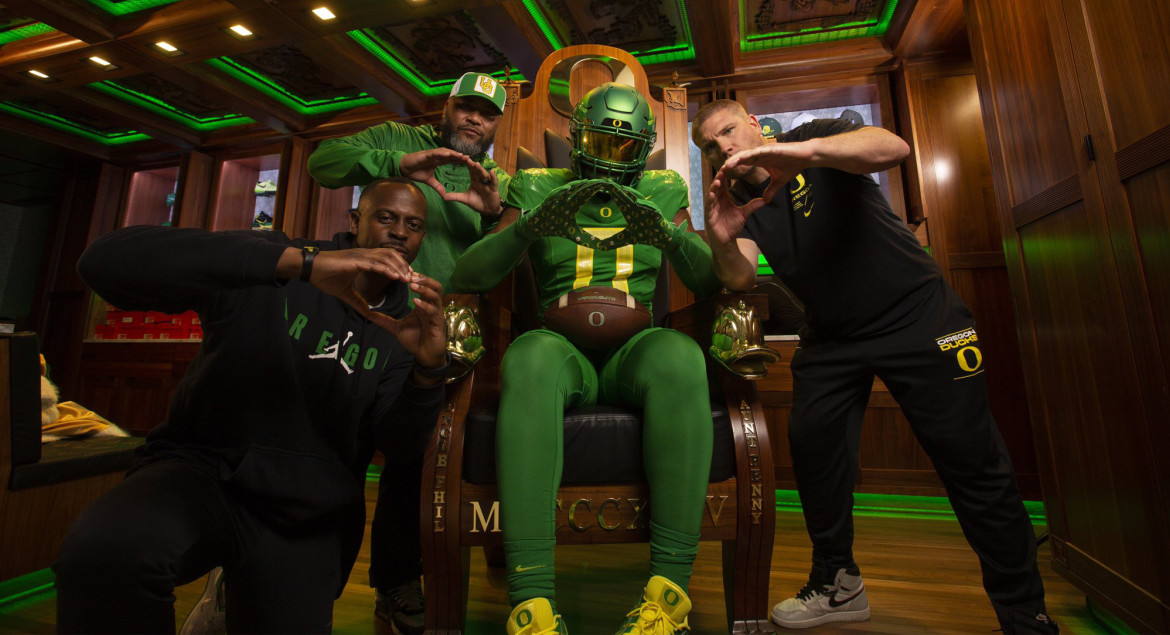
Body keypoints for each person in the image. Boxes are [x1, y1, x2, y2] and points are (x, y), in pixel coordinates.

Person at [692, 99, 1058, 634]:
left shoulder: (814, 135)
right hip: (833, 335)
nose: (722, 147)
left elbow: (892, 148)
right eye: (709, 145)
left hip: (916, 315)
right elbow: (742, 278)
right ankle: (837, 584)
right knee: (814, 449)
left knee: (973, 463)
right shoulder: (736, 197)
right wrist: (721, 241)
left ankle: (1026, 615)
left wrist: (805, 152)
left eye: (727, 131)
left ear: (752, 122)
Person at [55, 178, 449, 633]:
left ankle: (231, 595)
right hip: (203, 473)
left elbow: (400, 443)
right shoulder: (281, 261)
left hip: (309, 514)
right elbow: (103, 262)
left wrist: (428, 371)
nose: (400, 231)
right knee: (105, 553)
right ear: (355, 222)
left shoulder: (406, 327)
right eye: (386, 217)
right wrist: (296, 264)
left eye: (414, 225)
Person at [450, 82, 722, 635]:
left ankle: (668, 600)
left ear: (644, 146)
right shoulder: (536, 183)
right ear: (578, 139)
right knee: (527, 360)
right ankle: (532, 604)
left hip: (635, 349)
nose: (611, 157)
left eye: (626, 147)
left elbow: (706, 279)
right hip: (560, 344)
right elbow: (469, 276)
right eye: (602, 142)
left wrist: (666, 232)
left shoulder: (664, 186)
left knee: (681, 356)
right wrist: (526, 225)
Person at [307, 72, 507, 633]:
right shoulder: (396, 138)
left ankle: (397, 581)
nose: (474, 119)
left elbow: (516, 253)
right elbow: (321, 164)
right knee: (335, 451)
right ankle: (305, 578)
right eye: (466, 107)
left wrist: (495, 214)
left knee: (412, 461)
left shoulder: (496, 179)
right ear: (446, 110)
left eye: (486, 114)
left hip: (437, 334)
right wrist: (397, 166)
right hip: (360, 319)